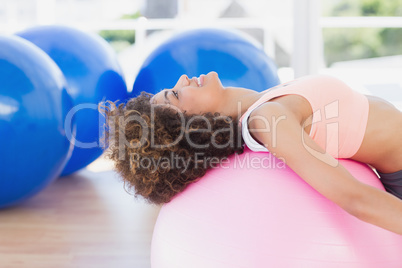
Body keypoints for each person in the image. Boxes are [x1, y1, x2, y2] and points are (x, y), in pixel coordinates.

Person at [101, 71, 402, 235]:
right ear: (192, 126)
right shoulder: (266, 121)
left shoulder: (260, 106)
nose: (182, 79)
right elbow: (354, 198)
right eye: (176, 94)